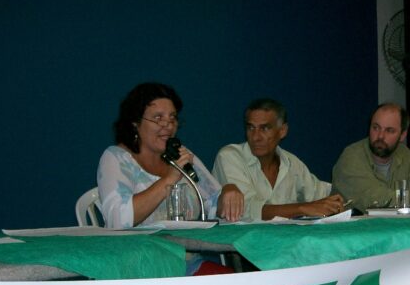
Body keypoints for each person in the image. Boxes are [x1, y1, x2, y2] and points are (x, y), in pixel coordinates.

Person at [97, 82, 243, 229]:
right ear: (135, 122)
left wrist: (228, 192)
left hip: (187, 243)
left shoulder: (179, 153)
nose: (168, 125)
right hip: (137, 244)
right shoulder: (116, 158)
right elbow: (117, 220)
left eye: (172, 117)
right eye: (158, 117)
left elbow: (212, 201)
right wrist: (169, 179)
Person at [212, 98, 344, 221]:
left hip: (284, 237)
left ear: (282, 131)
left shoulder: (291, 163)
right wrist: (302, 208)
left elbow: (321, 194)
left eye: (265, 128)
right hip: (238, 238)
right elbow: (247, 210)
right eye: (251, 128)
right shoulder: (230, 156)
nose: (256, 137)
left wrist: (335, 202)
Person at [332, 102, 410, 213]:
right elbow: (375, 200)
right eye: (375, 128)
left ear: (402, 135)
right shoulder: (351, 157)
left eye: (389, 130)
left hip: (397, 227)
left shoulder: (405, 155)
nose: (380, 136)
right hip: (354, 229)